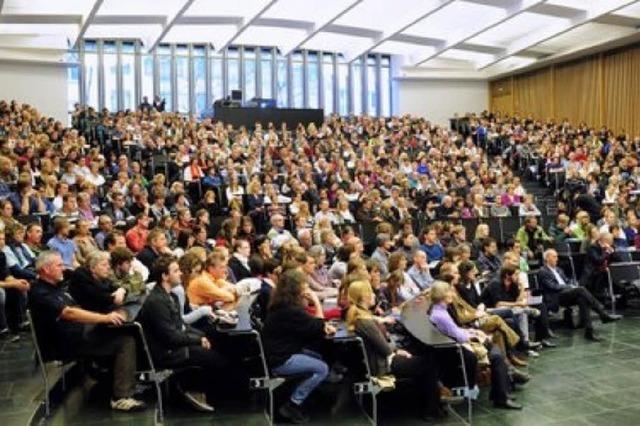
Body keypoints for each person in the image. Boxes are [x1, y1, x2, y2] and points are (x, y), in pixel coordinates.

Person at [28, 251, 145, 411]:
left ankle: (123, 382)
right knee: (125, 341)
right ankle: (121, 397)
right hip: (64, 344)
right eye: (59, 265)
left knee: (127, 330)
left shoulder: (55, 287)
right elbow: (69, 312)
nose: (63, 268)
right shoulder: (40, 292)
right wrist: (104, 318)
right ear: (47, 269)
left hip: (77, 334)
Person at [139, 255, 234, 412]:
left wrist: (201, 337)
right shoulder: (157, 301)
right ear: (164, 276)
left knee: (217, 342)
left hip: (174, 344)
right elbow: (170, 336)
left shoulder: (172, 296)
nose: (180, 273)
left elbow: (181, 325)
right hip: (167, 352)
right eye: (175, 271)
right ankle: (195, 390)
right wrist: (197, 340)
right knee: (219, 361)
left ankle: (201, 390)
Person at [346, 280, 444, 420]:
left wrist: (396, 349)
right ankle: (431, 409)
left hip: (382, 359)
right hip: (383, 364)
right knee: (428, 364)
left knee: (424, 358)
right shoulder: (365, 321)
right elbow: (384, 348)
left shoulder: (362, 316)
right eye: (371, 293)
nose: (374, 295)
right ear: (363, 297)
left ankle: (432, 405)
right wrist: (397, 350)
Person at [429, 281, 522, 410]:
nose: (452, 294)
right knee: (496, 356)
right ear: (442, 295)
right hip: (459, 351)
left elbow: (455, 331)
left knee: (495, 350)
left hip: (458, 346)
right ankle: (501, 395)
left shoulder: (439, 311)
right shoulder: (441, 315)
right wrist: (475, 335)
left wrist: (471, 331)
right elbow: (459, 336)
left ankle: (502, 391)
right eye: (449, 291)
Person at [262, 269, 336, 424]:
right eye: (304, 285)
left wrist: (320, 326)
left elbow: (312, 325)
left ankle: (305, 395)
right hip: (280, 359)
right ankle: (292, 404)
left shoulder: (281, 305)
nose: (306, 288)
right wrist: (315, 301)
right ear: (296, 289)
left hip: (280, 352)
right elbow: (318, 326)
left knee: (318, 357)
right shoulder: (290, 310)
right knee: (322, 368)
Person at [538, 249, 621, 341]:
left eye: (557, 256)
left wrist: (572, 284)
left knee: (582, 299)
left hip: (567, 293)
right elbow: (552, 287)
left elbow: (567, 280)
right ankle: (603, 313)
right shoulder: (543, 271)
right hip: (556, 296)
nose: (557, 259)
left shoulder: (558, 269)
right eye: (554, 257)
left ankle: (589, 332)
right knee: (581, 290)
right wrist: (569, 286)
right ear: (547, 258)